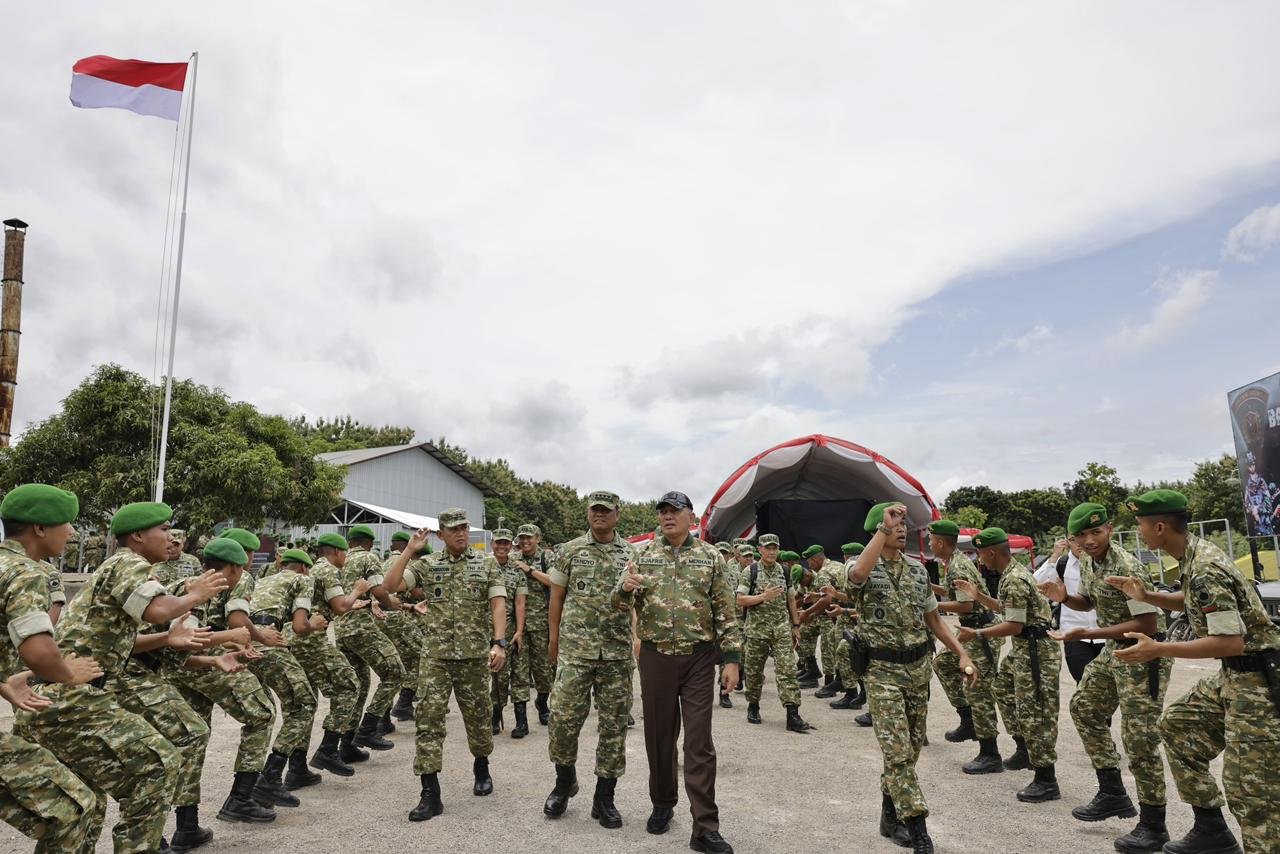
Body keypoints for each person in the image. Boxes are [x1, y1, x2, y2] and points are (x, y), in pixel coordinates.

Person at [17, 501, 228, 853]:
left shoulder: (120, 566)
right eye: (164, 530)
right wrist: (195, 594)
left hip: (61, 696)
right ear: (138, 535)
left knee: (85, 806)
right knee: (159, 764)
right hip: (71, 697)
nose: (171, 537)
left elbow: (119, 642)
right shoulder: (129, 562)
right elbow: (157, 609)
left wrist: (167, 638)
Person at [1109, 489, 1280, 854]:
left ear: (1159, 527)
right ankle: (1211, 831)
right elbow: (1191, 601)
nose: (1139, 532)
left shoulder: (1204, 568)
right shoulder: (1193, 555)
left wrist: (1158, 648)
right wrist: (1147, 595)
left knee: (1251, 789)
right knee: (1177, 724)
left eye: (1140, 525)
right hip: (1237, 674)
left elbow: (1229, 642)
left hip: (1259, 681)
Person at [614, 491, 742, 854]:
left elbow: (725, 609)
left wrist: (732, 658)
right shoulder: (642, 555)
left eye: (675, 511)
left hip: (699, 658)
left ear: (692, 517)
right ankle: (662, 802)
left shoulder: (710, 557)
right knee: (659, 736)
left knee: (699, 741)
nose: (668, 516)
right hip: (656, 657)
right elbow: (618, 602)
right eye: (663, 511)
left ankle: (705, 827)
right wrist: (623, 589)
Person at [1039, 503, 1171, 852]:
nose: (1089, 540)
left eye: (1096, 532)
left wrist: (1088, 633)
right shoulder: (1088, 561)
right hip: (1115, 650)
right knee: (1084, 707)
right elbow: (1090, 601)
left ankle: (1154, 825)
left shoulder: (1126, 565)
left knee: (1139, 738)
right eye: (1081, 535)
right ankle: (1113, 792)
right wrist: (1066, 598)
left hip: (1144, 652)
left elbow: (1148, 623)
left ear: (1109, 529)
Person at [846, 503, 977, 853]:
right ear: (877, 530)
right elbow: (857, 575)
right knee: (898, 752)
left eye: (904, 525)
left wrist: (961, 653)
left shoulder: (918, 571)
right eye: (894, 525)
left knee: (911, 749)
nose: (902, 529)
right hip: (882, 674)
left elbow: (933, 620)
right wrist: (883, 529)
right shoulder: (862, 566)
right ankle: (918, 828)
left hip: (917, 671)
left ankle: (889, 816)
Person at [0, 484, 104, 853]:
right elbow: (39, 653)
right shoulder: (25, 572)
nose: (72, 532)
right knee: (74, 808)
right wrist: (69, 672)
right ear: (39, 528)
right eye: (66, 522)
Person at [383, 512, 507, 823]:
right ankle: (430, 792)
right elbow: (390, 586)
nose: (461, 533)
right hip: (436, 657)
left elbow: (498, 604)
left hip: (474, 657)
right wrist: (409, 550)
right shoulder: (427, 564)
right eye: (453, 529)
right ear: (441, 535)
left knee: (479, 718)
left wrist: (499, 643)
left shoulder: (486, 563)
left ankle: (481, 765)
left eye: (464, 527)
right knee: (428, 720)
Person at [160, 537, 281, 826]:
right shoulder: (205, 589)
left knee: (194, 735)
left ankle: (186, 825)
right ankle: (241, 798)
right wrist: (231, 637)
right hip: (192, 663)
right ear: (235, 567)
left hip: (177, 668)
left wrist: (226, 644)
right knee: (262, 714)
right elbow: (188, 639)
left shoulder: (190, 582)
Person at [543, 491, 636, 828]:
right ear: (588, 514)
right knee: (562, 720)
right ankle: (564, 781)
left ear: (616, 515)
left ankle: (605, 796)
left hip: (616, 652)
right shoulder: (569, 550)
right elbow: (556, 598)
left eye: (606, 511)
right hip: (575, 650)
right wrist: (554, 640)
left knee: (613, 725)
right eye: (595, 510)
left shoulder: (631, 554)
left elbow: (636, 602)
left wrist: (637, 640)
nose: (600, 515)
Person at [954, 527, 1062, 804]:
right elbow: (1008, 610)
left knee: (1035, 711)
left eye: (980, 553)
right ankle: (1025, 749)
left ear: (991, 552)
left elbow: (1014, 625)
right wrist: (978, 596)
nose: (979, 559)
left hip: (1037, 652)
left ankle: (1046, 779)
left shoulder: (1013, 579)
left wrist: (976, 634)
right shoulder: (1011, 574)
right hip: (1026, 649)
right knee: (1002, 688)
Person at [287, 533, 370, 777]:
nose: (346, 558)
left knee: (306, 703)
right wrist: (357, 591)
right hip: (311, 641)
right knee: (350, 685)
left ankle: (296, 769)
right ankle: (328, 748)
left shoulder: (314, 570)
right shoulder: (329, 570)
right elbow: (340, 606)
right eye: (345, 553)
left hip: (297, 639)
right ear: (336, 551)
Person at [927, 520, 1004, 773]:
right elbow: (956, 594)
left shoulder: (958, 565)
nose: (929, 544)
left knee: (978, 689)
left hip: (981, 632)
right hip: (971, 630)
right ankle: (968, 719)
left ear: (940, 542)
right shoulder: (954, 562)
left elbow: (966, 605)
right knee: (943, 663)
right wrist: (928, 588)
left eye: (931, 540)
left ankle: (990, 753)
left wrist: (932, 605)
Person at [246, 548, 325, 794]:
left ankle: (284, 772)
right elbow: (300, 626)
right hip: (268, 642)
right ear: (303, 567)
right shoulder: (303, 580)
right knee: (304, 705)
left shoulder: (263, 579)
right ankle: (270, 777)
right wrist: (315, 624)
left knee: (265, 713)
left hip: (246, 642)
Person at [335, 524, 407, 748]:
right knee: (396, 672)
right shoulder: (368, 557)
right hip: (361, 628)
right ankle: (368, 728)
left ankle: (346, 744)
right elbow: (379, 590)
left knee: (360, 684)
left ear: (350, 542)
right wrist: (390, 602)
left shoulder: (340, 561)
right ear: (368, 543)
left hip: (341, 629)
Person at [737, 534, 813, 732]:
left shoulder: (785, 571)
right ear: (760, 550)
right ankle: (753, 706)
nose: (771, 552)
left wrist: (795, 625)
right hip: (757, 630)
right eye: (767, 548)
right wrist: (763, 596)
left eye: (774, 548)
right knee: (754, 672)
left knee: (787, 670)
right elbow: (741, 600)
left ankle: (792, 714)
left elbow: (791, 600)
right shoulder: (750, 571)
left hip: (781, 629)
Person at [1034, 535, 1103, 683]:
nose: (1078, 543)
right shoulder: (1062, 563)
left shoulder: (1104, 561)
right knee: (1085, 685)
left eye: (1081, 537)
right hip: (1075, 636)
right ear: (1066, 542)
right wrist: (1055, 556)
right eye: (1073, 539)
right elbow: (1035, 583)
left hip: (1106, 634)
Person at [383, 531, 428, 722]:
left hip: (379, 618)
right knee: (424, 655)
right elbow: (415, 592)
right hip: (398, 618)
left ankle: (383, 719)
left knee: (390, 666)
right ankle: (404, 702)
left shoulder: (384, 561)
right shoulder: (406, 563)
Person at [514, 523, 556, 725]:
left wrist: (529, 570)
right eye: (521, 538)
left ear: (537, 539)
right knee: (520, 670)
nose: (525, 541)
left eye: (529, 537)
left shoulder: (546, 557)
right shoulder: (513, 558)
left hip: (542, 624)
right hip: (518, 625)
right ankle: (521, 719)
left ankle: (542, 702)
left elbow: (554, 581)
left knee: (543, 669)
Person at [490, 528, 529, 737]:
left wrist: (520, 631)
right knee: (499, 676)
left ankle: (522, 722)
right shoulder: (484, 568)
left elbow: (520, 603)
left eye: (506, 543)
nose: (502, 547)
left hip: (512, 632)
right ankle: (494, 718)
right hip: (491, 632)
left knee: (520, 674)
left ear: (511, 546)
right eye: (498, 543)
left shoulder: (517, 571)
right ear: (492, 544)